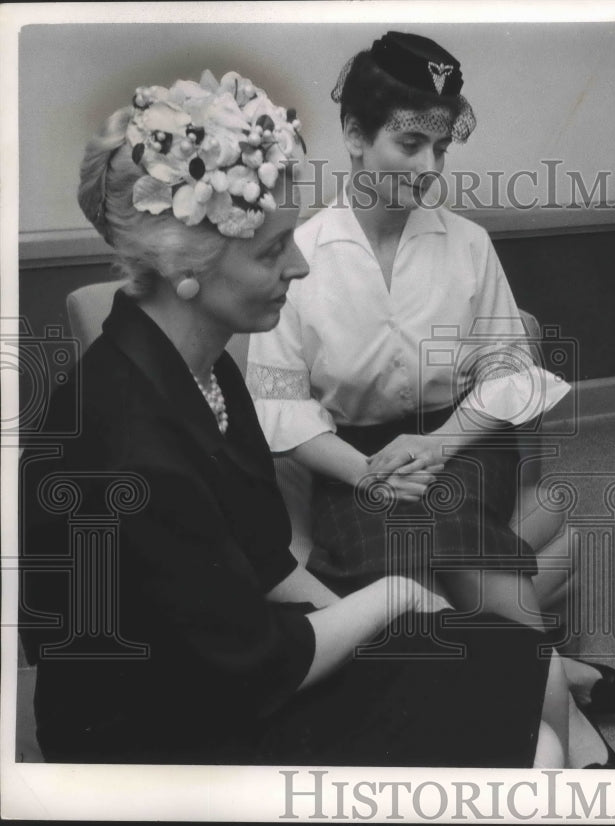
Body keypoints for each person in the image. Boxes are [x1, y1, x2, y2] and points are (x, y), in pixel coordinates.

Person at [18, 70, 565, 767]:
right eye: (274, 250)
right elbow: (257, 665)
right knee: (534, 747)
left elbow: (264, 561)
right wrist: (392, 599)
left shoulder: (202, 367)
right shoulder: (132, 443)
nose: (302, 266)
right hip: (168, 736)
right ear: (188, 265)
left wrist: (382, 626)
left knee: (526, 664)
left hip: (235, 664)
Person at [246, 32, 615, 743]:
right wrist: (370, 468)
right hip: (355, 463)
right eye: (409, 145)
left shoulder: (467, 244)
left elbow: (510, 373)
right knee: (413, 532)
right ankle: (567, 700)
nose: (429, 169)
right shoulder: (300, 254)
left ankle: (557, 717)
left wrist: (436, 447)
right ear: (355, 137)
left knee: (447, 517)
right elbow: (278, 403)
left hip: (462, 447)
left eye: (442, 149)